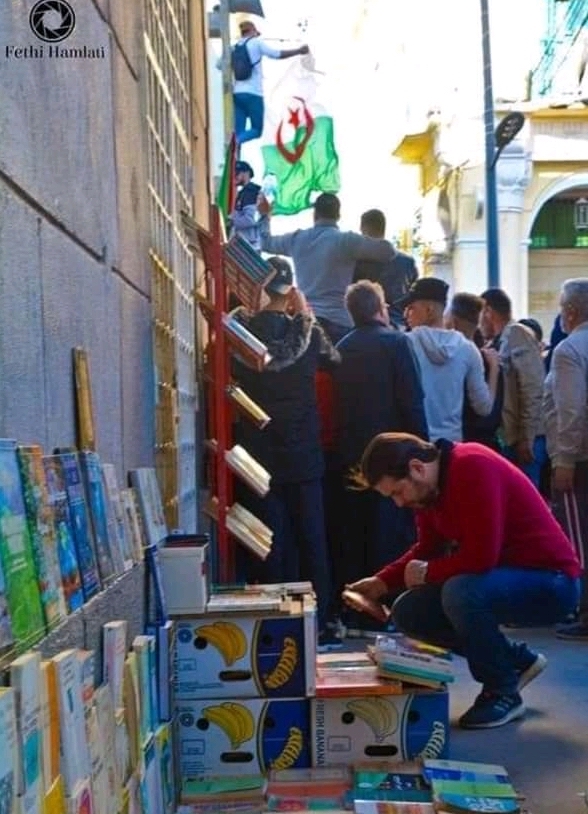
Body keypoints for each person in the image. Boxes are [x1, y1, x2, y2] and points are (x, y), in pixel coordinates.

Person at [346, 432, 581, 729]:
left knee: (461, 592)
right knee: (409, 611)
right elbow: (426, 549)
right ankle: (514, 661)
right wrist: (381, 582)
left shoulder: (472, 466)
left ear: (417, 468)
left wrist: (428, 573)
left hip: (553, 582)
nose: (399, 503)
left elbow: (481, 557)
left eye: (397, 492)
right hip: (504, 578)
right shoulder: (430, 492)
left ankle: (501, 690)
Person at [231, 256, 341, 651]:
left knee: (269, 539)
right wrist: (304, 313)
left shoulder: (239, 334)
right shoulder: (309, 334)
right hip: (303, 451)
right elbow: (334, 361)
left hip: (257, 451)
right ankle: (321, 621)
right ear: (291, 291)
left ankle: (276, 623)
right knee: (312, 538)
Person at [332, 281, 428, 634]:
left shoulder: (342, 347)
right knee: (393, 536)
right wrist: (423, 449)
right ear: (381, 308)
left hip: (351, 458)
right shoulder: (397, 343)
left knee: (355, 534)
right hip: (394, 458)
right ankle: (391, 611)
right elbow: (412, 400)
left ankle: (358, 609)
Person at [258, 193, 395, 344]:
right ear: (338, 215)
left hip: (307, 321)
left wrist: (265, 215)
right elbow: (388, 251)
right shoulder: (347, 241)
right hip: (340, 323)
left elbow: (266, 243)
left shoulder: (297, 239)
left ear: (315, 214)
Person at [400, 278, 499, 441]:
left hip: (415, 444)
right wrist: (494, 369)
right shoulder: (467, 349)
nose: (406, 314)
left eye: (411, 308)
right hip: (452, 445)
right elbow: (483, 407)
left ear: (428, 310)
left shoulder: (404, 344)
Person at [544, 278, 588, 641]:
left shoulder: (569, 349)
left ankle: (585, 613)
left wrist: (565, 460)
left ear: (570, 312)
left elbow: (570, 409)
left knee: (579, 538)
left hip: (580, 459)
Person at [480, 288, 546, 487]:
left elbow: (532, 387)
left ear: (488, 311)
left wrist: (527, 436)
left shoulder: (517, 334)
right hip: (509, 437)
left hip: (524, 439)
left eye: (480, 314)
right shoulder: (497, 341)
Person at [230, 20, 309, 146]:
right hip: (254, 94)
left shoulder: (233, 47)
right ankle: (236, 142)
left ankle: (234, 153)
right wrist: (298, 51)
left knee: (239, 131)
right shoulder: (256, 43)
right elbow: (276, 54)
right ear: (253, 31)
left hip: (237, 93)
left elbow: (219, 65)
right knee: (256, 130)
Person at [446, 293, 503, 448]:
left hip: (459, 439)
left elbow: (485, 408)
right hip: (485, 442)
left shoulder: (449, 357)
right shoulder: (490, 359)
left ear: (453, 321)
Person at [352, 209, 418, 327]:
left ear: (363, 229)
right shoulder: (407, 262)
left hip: (364, 327)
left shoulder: (357, 263)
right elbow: (413, 298)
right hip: (398, 325)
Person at [229, 161, 261, 250]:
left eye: (237, 173)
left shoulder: (251, 191)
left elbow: (250, 219)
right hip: (242, 243)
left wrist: (232, 221)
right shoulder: (243, 193)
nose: (235, 176)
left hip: (250, 245)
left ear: (246, 173)